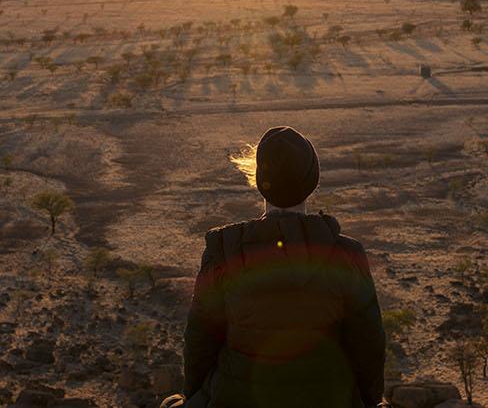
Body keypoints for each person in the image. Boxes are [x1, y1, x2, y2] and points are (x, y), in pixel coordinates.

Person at [162, 126, 385, 408]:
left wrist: (193, 395)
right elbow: (368, 344)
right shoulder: (347, 254)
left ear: (259, 181)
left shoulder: (224, 251)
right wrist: (371, 400)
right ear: (312, 182)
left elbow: (200, 340)